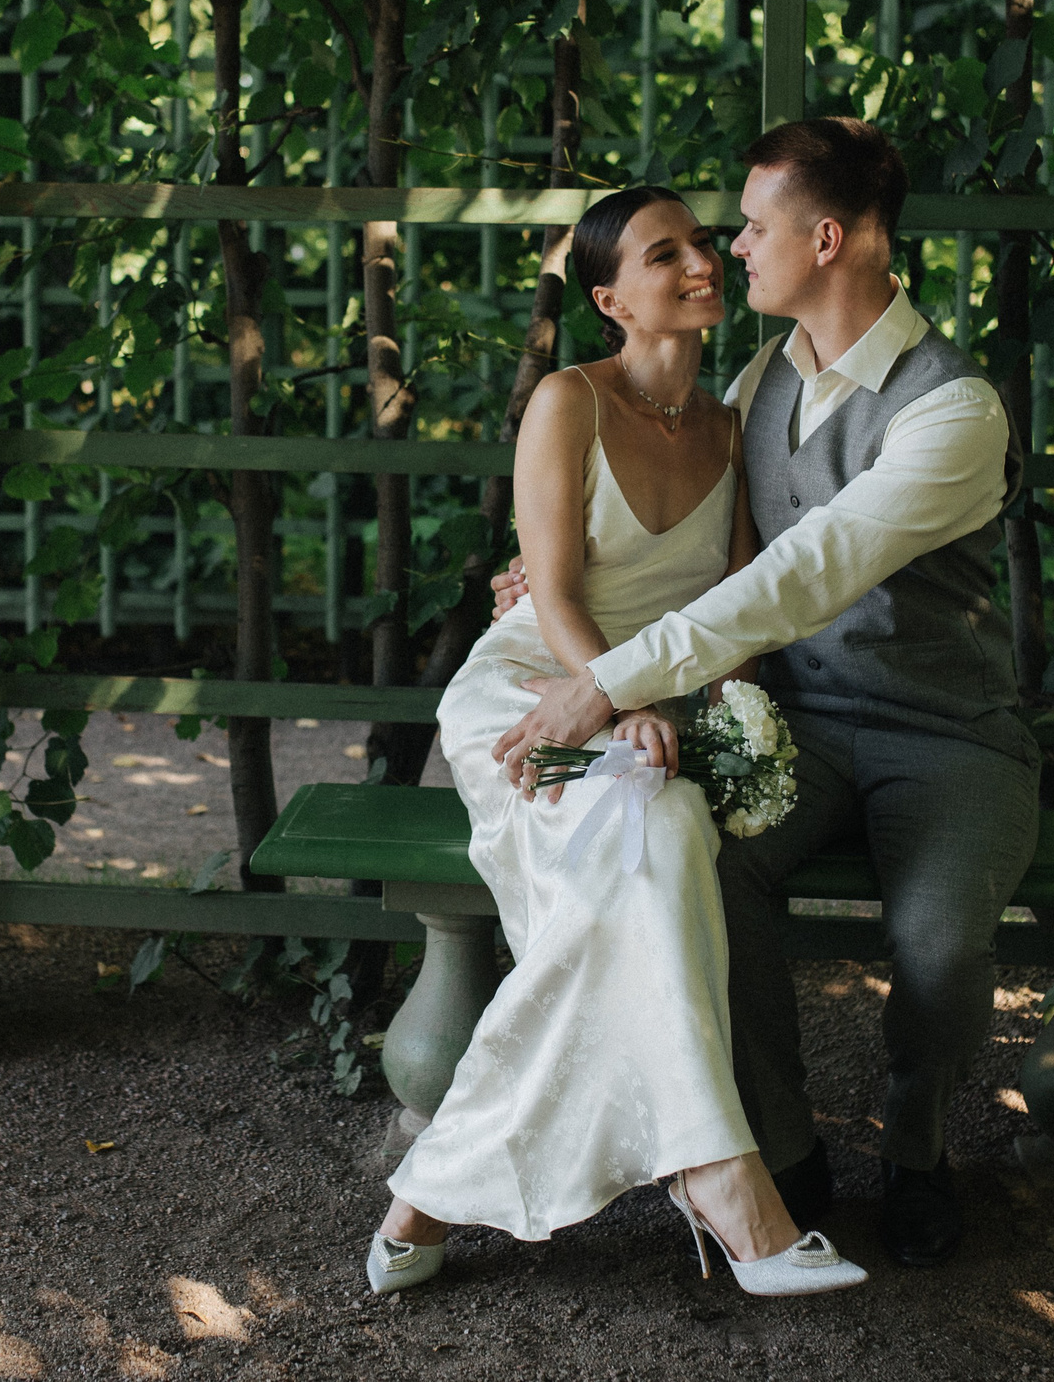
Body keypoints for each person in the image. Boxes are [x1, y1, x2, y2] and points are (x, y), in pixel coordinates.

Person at [490, 117, 1039, 1269]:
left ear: (826, 238)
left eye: (750, 226)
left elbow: (802, 571)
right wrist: (552, 578)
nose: (730, 247)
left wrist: (605, 681)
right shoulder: (756, 379)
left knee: (938, 952)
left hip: (948, 736)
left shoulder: (955, 408)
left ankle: (919, 1149)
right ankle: (783, 1154)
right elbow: (704, 558)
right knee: (698, 868)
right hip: (798, 727)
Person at [365, 186, 867, 1301]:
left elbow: (738, 604)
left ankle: (430, 1191)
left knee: (657, 833)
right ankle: (726, 1182)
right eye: (664, 253)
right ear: (609, 298)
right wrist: (608, 686)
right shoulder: (566, 402)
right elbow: (543, 584)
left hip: (648, 701)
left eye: (702, 243)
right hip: (534, 685)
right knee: (653, 828)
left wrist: (710, 711)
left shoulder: (733, 427)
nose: (699, 261)